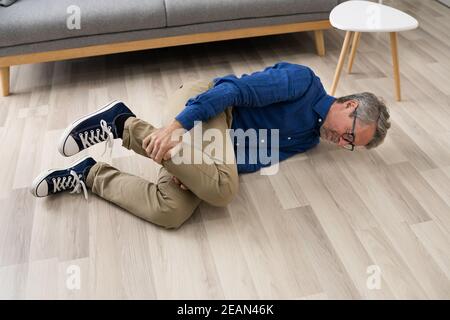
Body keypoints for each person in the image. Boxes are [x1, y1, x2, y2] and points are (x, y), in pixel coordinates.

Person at [30, 61, 391, 229]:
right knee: (224, 190)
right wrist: (178, 127)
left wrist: (196, 169)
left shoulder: (309, 138)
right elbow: (233, 90)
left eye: (349, 146)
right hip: (205, 105)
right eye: (349, 133)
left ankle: (88, 174)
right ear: (350, 105)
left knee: (171, 211)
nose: (341, 141)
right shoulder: (303, 82)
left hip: (203, 150)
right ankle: (122, 124)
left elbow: (250, 156)